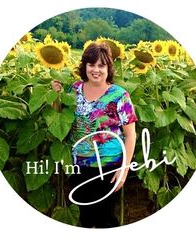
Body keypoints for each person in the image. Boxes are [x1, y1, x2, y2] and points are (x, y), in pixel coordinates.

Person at [51, 42, 138, 228]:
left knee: (105, 218)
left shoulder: (119, 95)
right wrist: (55, 96)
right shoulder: (74, 89)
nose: (96, 70)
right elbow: (61, 118)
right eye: (91, 65)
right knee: (86, 218)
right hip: (78, 165)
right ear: (85, 66)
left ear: (108, 68)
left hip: (108, 166)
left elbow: (131, 136)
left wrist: (124, 169)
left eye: (101, 65)